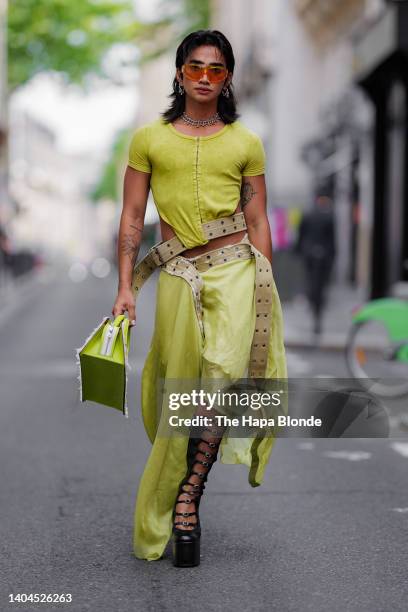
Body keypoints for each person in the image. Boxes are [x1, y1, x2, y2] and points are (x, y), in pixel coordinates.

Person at [111, 30, 287, 567]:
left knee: (218, 385)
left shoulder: (245, 142)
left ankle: (186, 503)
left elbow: (257, 220)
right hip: (177, 276)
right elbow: (131, 218)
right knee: (183, 395)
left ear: (227, 76)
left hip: (236, 272)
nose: (205, 77)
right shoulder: (148, 139)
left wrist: (267, 288)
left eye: (216, 69)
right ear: (180, 74)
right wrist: (124, 286)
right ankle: (178, 494)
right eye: (195, 67)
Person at [295, 195, 336, 337]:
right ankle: (317, 306)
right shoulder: (329, 216)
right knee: (320, 285)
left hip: (309, 254)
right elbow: (332, 240)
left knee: (311, 281)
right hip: (323, 255)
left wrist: (299, 251)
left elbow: (300, 235)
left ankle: (312, 303)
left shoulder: (307, 214)